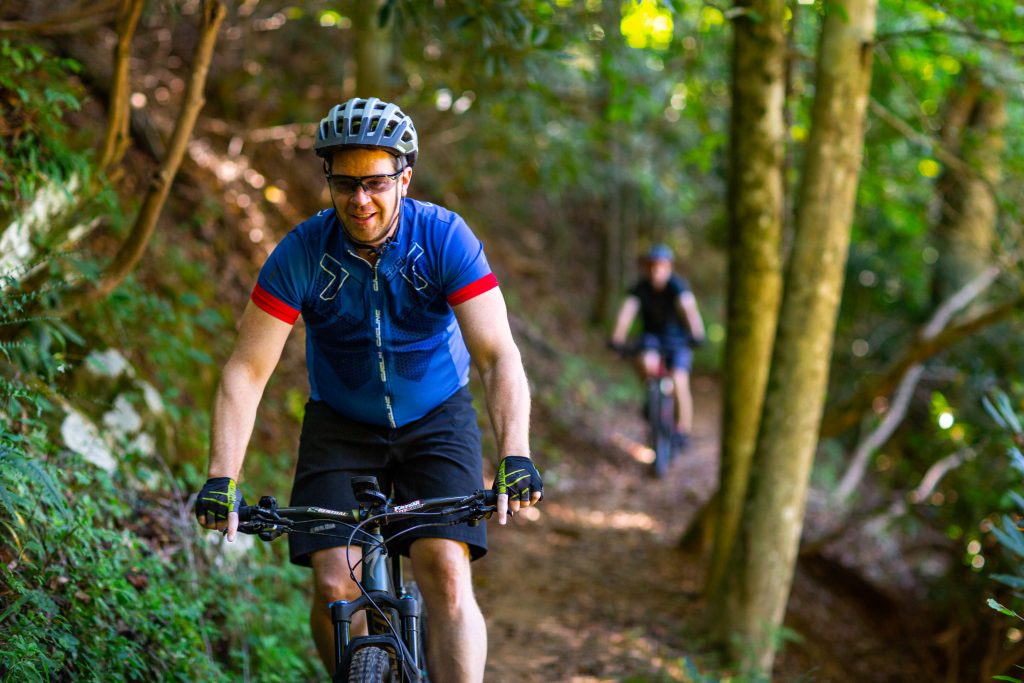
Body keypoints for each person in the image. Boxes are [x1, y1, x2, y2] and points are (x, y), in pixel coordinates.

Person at [193, 97, 542, 682]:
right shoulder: (301, 254)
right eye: (346, 183)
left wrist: (516, 455)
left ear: (404, 177)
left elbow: (497, 354)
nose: (361, 200)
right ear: (328, 180)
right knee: (334, 581)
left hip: (436, 417)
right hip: (341, 423)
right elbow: (246, 370)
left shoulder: (444, 239)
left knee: (446, 571)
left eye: (376, 182)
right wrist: (222, 477)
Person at [609, 243, 706, 450]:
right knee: (643, 360)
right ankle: (652, 394)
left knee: (679, 380)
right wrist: (617, 338)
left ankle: (682, 431)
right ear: (646, 267)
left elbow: (689, 310)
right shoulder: (640, 288)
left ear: (669, 267)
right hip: (652, 338)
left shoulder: (677, 287)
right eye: (652, 266)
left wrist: (697, 334)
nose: (656, 271)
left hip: (677, 341)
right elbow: (627, 312)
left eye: (661, 266)